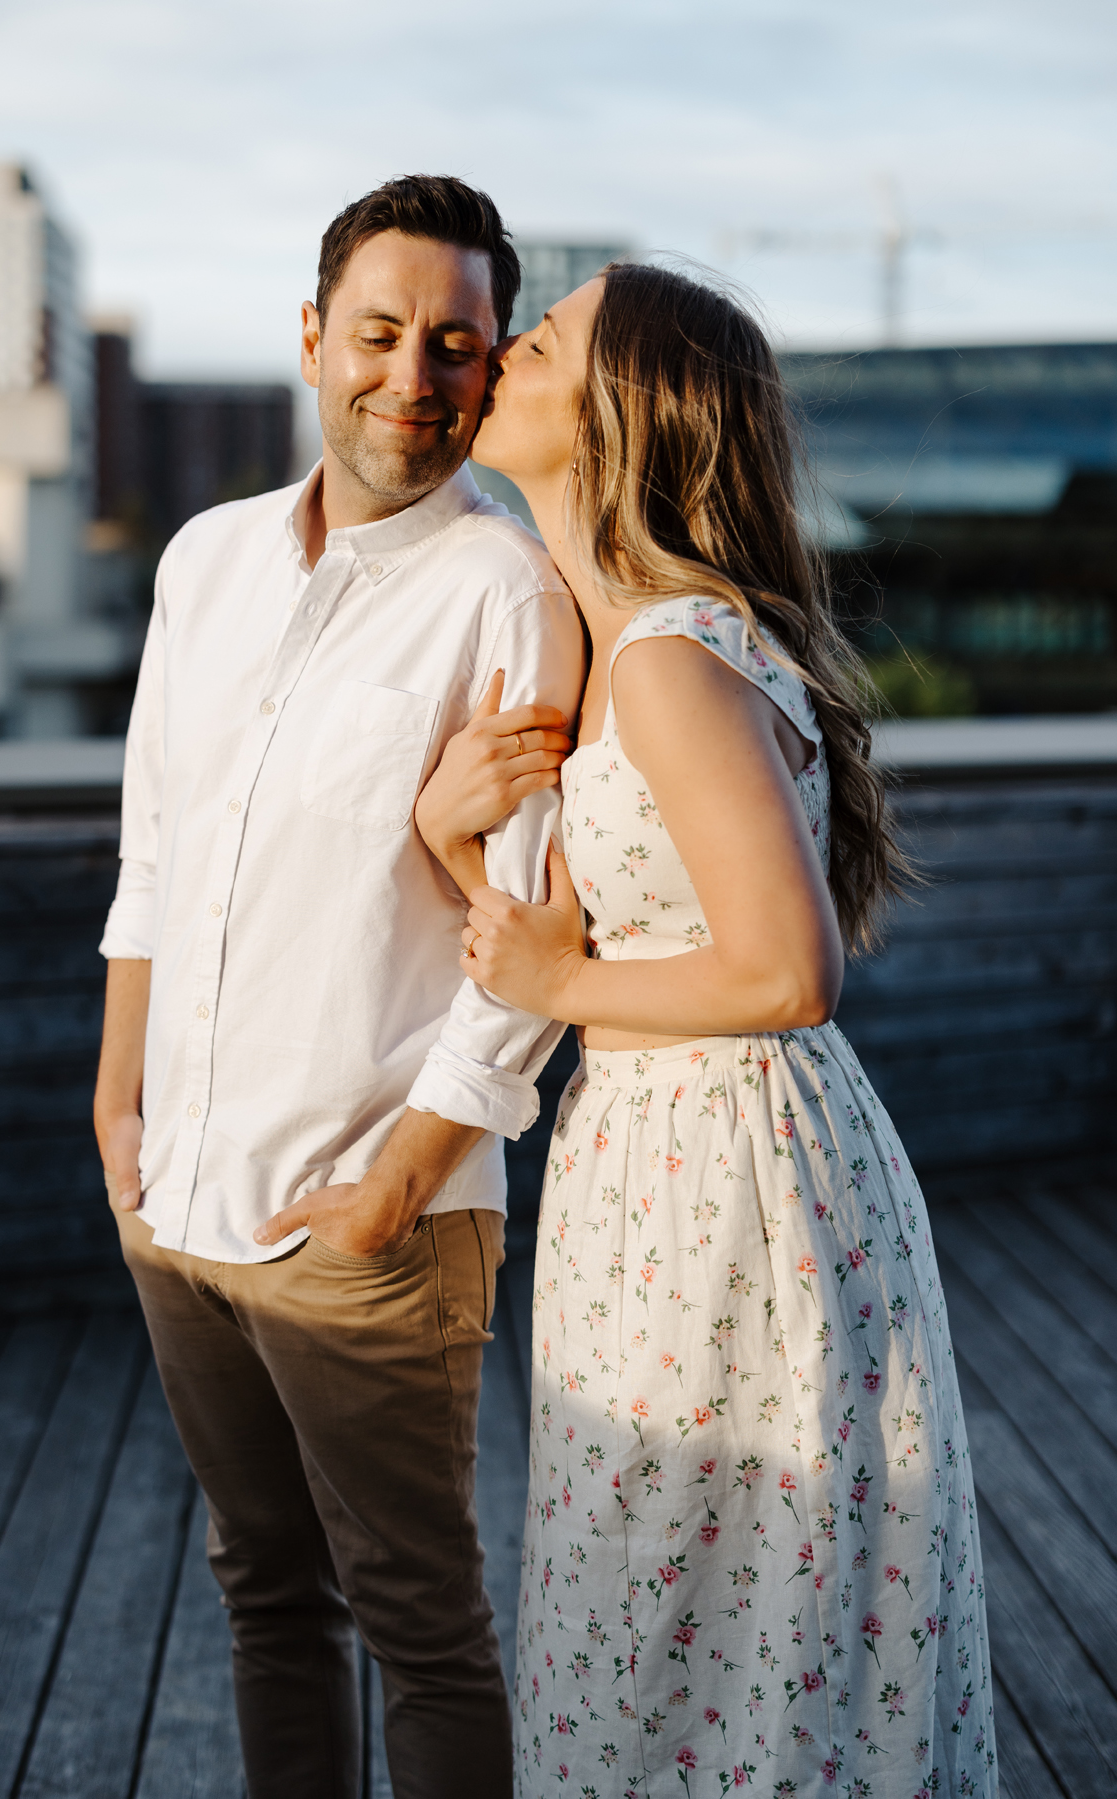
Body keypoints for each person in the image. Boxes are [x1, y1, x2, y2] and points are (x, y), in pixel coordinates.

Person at [416, 263, 997, 1796]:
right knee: (682, 1603)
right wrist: (447, 829)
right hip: (668, 1164)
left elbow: (786, 970)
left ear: (620, 416)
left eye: (536, 343)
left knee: (716, 1600)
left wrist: (559, 991)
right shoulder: (626, 648)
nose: (500, 354)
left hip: (730, 1175)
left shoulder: (671, 659)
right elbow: (583, 927)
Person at [92, 174, 585, 1799]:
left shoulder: (506, 592)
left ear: (494, 361)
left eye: (456, 344)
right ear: (315, 339)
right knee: (264, 1592)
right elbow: (155, 844)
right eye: (380, 333)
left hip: (371, 1210)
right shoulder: (204, 563)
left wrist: (393, 1188)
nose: (413, 376)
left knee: (417, 1622)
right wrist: (119, 1096)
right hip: (180, 1188)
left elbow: (526, 942)